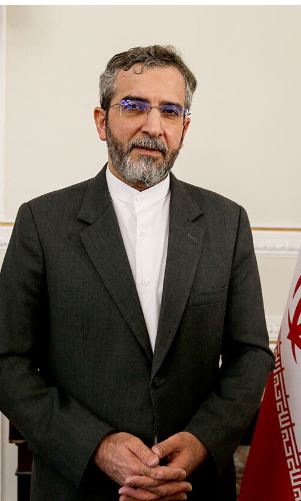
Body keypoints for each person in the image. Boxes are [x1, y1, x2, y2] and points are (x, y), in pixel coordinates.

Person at [0, 45, 274, 501]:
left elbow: (250, 355)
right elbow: (7, 360)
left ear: (184, 128)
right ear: (100, 121)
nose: (153, 125)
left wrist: (200, 442)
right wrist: (95, 446)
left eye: (170, 111)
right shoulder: (42, 223)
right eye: (134, 106)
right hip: (79, 488)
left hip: (193, 487)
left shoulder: (227, 223)